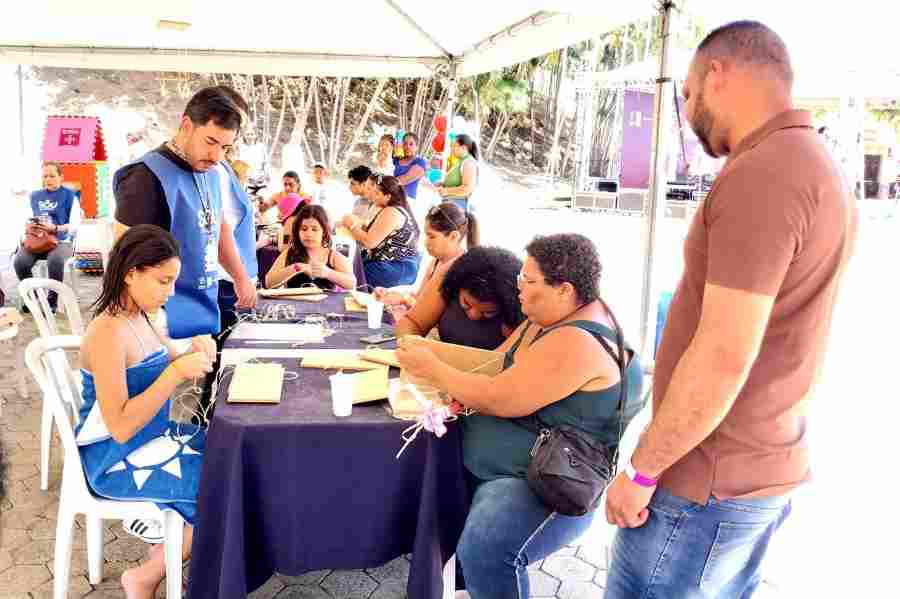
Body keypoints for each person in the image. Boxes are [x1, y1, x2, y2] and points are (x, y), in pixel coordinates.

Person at [603, 21, 857, 599]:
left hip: (705, 481)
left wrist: (642, 472)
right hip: (752, 470)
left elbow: (723, 356)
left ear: (719, 75)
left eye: (688, 93)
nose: (689, 113)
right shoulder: (817, 163)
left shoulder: (767, 171)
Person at [397, 233, 645, 599]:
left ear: (564, 289)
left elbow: (501, 398)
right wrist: (425, 351)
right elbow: (495, 364)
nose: (519, 292)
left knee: (485, 550)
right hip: (514, 462)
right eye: (520, 280)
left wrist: (433, 367)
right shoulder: (548, 316)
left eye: (528, 282)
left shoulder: (578, 340)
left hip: (550, 477)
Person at [76, 225, 214, 599]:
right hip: (114, 456)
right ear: (131, 273)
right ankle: (146, 575)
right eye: (163, 282)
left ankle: (173, 549)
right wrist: (174, 373)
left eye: (173, 283)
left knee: (230, 455)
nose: (170, 293)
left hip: (154, 437)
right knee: (220, 486)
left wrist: (193, 351)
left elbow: (166, 359)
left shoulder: (142, 317)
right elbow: (118, 426)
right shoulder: (107, 332)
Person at [113, 85, 258, 342]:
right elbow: (124, 262)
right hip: (161, 320)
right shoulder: (144, 177)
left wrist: (240, 278)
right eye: (210, 141)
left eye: (225, 147)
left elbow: (218, 228)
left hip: (203, 310)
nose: (216, 156)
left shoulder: (211, 172)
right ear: (187, 126)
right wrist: (148, 332)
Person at [394, 245, 522, 350]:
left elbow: (508, 361)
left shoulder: (520, 304)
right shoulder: (449, 274)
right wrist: (411, 346)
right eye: (466, 303)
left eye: (488, 312)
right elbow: (412, 322)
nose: (473, 315)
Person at [375, 201, 476, 313]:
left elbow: (431, 316)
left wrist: (404, 299)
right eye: (426, 235)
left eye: (432, 236)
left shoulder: (459, 271)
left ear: (453, 236)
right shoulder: (436, 262)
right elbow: (419, 298)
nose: (426, 242)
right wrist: (391, 294)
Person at [14, 161, 79, 311]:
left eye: (52, 176)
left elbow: (74, 225)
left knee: (55, 260)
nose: (48, 179)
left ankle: (51, 301)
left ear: (61, 177)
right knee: (20, 261)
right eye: (45, 176)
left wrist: (55, 228)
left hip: (62, 241)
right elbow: (25, 218)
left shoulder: (70, 196)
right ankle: (35, 298)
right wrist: (30, 224)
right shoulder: (34, 196)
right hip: (37, 240)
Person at [340, 175, 420, 288]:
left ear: (388, 196)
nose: (372, 196)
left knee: (346, 276)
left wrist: (351, 225)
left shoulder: (392, 211)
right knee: (346, 263)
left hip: (394, 268)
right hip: (392, 266)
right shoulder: (390, 209)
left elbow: (369, 242)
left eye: (376, 193)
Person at [265, 205, 356, 290]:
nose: (309, 234)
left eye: (314, 229)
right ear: (297, 231)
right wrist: (296, 268)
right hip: (295, 305)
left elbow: (352, 283)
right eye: (304, 229)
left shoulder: (332, 256)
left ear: (324, 232)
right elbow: (268, 282)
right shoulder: (290, 253)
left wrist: (327, 273)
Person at [437, 134, 479, 212]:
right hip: (450, 205)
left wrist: (446, 191)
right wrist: (443, 184)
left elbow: (467, 188)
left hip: (458, 208)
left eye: (454, 146)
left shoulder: (469, 162)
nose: (452, 148)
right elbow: (456, 183)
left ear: (464, 147)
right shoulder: (460, 161)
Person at [393, 133, 427, 202]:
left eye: (411, 144)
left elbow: (405, 179)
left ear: (416, 147)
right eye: (405, 144)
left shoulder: (420, 162)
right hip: (391, 198)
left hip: (407, 201)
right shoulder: (396, 160)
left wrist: (384, 183)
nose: (407, 146)